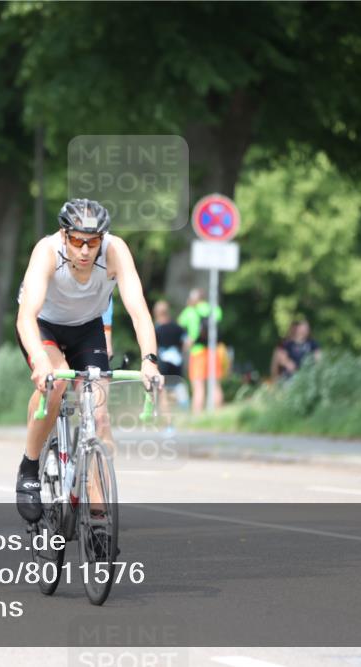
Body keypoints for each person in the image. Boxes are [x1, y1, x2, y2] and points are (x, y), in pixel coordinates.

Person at [14, 198, 162, 523]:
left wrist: (150, 360)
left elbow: (138, 311)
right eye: (77, 241)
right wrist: (40, 361)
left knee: (100, 415)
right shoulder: (47, 251)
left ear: (102, 240)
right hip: (44, 326)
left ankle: (97, 518)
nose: (84, 250)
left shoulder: (115, 251)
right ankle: (29, 464)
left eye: (92, 242)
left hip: (87, 328)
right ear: (64, 235)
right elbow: (26, 317)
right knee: (58, 382)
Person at [177, 288, 226, 413]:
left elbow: (180, 323)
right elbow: (219, 318)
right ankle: (218, 414)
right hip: (213, 351)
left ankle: (197, 416)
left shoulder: (190, 311)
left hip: (197, 352)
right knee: (215, 385)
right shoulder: (213, 309)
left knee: (198, 387)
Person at [153, 300, 187, 428]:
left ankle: (169, 423)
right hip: (177, 363)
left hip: (163, 364)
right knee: (176, 389)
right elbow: (187, 342)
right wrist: (180, 352)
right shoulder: (178, 327)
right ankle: (183, 417)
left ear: (156, 313)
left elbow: (153, 347)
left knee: (163, 394)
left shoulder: (156, 329)